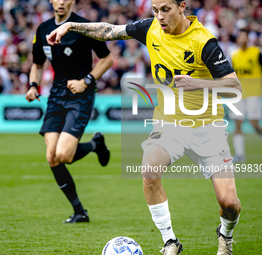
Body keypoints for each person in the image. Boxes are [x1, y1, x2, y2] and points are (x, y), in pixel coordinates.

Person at [47, 0, 242, 254]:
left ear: (182, 6)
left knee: (229, 204)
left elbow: (234, 87)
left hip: (208, 126)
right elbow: (110, 30)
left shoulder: (203, 40)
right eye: (155, 10)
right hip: (170, 123)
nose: (159, 16)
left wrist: (197, 84)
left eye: (165, 10)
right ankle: (170, 242)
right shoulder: (149, 28)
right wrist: (72, 26)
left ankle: (225, 236)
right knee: (149, 171)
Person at [25, 0, 113, 223]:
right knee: (52, 157)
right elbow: (37, 63)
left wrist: (86, 80)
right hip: (56, 95)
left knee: (63, 154)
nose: (62, 2)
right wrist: (33, 86)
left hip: (81, 95)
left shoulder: (84, 26)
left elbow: (107, 59)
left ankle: (95, 145)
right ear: (51, 1)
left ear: (72, 1)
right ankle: (79, 212)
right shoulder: (43, 29)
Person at [230, 29, 262, 162]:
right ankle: (240, 155)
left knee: (254, 123)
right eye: (240, 37)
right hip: (239, 94)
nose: (242, 39)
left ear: (248, 39)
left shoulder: (256, 52)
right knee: (238, 123)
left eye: (244, 37)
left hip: (253, 93)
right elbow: (233, 74)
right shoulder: (234, 55)